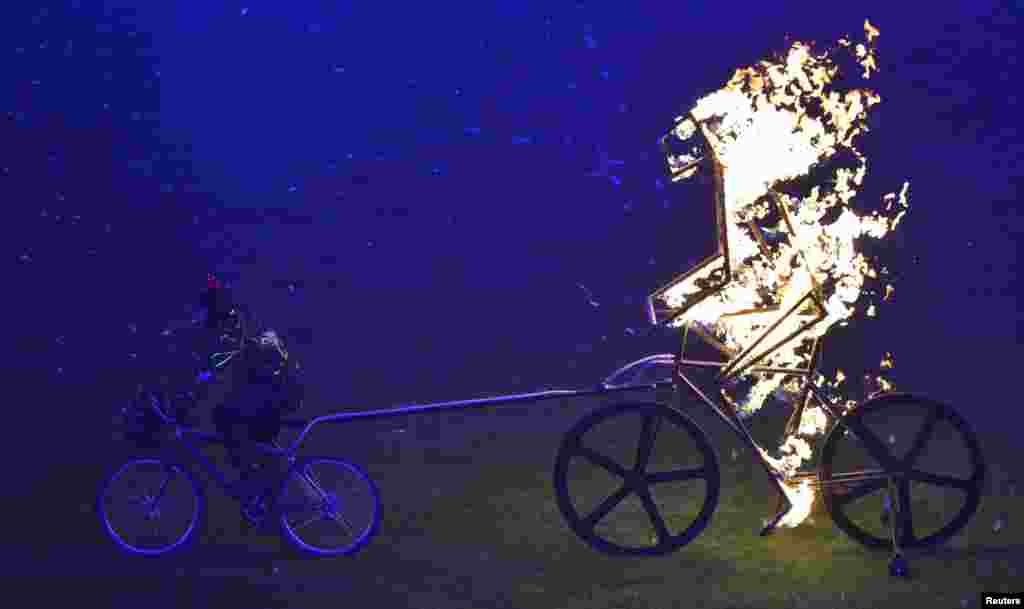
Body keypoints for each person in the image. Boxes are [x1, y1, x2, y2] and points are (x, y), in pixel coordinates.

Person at [192, 274, 305, 493]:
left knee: (224, 416)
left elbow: (229, 357)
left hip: (275, 391)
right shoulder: (241, 318)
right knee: (239, 422)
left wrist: (207, 375)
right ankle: (263, 481)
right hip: (274, 389)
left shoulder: (235, 321)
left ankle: (252, 478)